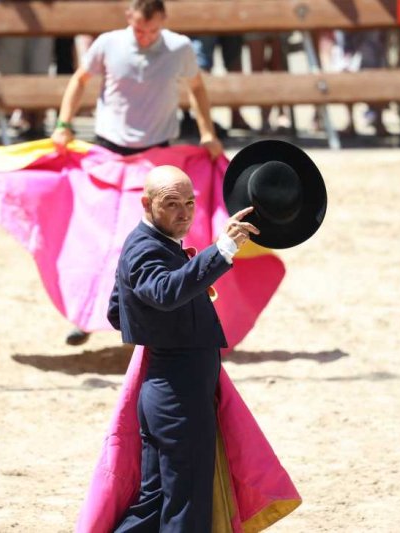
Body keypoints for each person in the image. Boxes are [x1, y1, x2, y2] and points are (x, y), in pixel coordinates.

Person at [50, 0, 223, 345]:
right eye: (139, 30)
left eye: (152, 30)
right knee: (101, 240)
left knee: (162, 240)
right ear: (129, 18)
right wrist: (63, 124)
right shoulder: (108, 43)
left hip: (157, 156)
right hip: (110, 152)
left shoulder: (179, 47)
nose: (145, 38)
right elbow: (79, 80)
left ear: (163, 22)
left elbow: (198, 88)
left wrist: (207, 132)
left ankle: (164, 316)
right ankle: (87, 316)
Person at [106, 165, 257, 532]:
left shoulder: (153, 245)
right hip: (177, 396)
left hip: (169, 390)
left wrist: (158, 322)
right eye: (171, 203)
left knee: (156, 502)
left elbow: (117, 310)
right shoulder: (146, 248)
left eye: (189, 202)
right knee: (185, 505)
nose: (184, 212)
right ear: (147, 203)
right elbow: (164, 292)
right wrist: (221, 250)